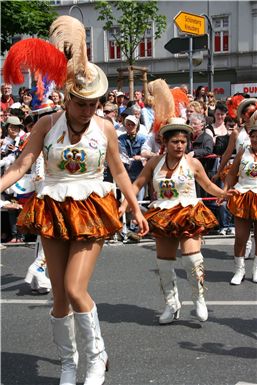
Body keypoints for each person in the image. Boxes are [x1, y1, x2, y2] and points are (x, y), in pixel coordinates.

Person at [1, 15, 148, 385]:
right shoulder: (46, 125)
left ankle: (96, 358)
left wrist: (133, 205)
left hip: (92, 207)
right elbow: (22, 165)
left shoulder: (107, 128)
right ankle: (69, 363)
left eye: (93, 103)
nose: (87, 110)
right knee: (59, 301)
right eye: (81, 103)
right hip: (53, 206)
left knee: (73, 288)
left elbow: (117, 171)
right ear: (68, 97)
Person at [121, 115, 234, 324]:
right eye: (175, 142)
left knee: (192, 259)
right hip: (163, 214)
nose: (180, 146)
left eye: (183, 142)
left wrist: (222, 194)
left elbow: (208, 185)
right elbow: (137, 184)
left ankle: (199, 298)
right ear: (165, 142)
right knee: (164, 264)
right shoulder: (154, 162)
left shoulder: (193, 163)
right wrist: (125, 204)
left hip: (188, 212)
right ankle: (172, 304)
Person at [224, 114, 257, 284]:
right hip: (243, 195)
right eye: (253, 135)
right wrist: (225, 191)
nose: (256, 139)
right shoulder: (243, 152)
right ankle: (239, 270)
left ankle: (256, 269)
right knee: (240, 237)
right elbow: (231, 174)